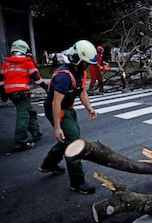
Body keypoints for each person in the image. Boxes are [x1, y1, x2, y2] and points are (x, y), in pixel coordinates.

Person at [38, 40, 98, 195]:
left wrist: (89, 108)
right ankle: (77, 182)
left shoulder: (81, 72)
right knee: (73, 142)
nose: (88, 67)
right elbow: (55, 103)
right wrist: (57, 127)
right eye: (85, 63)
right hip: (57, 109)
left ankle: (48, 164)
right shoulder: (64, 76)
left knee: (67, 139)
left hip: (68, 109)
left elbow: (82, 91)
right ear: (77, 59)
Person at [0, 39, 48, 151]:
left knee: (30, 111)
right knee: (23, 116)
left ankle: (36, 132)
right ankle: (20, 141)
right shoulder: (27, 61)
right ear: (25, 50)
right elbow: (36, 79)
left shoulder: (6, 63)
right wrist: (47, 88)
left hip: (12, 94)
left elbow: (1, 81)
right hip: (23, 93)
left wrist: (3, 94)